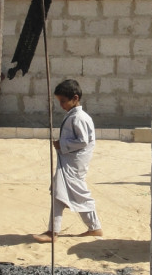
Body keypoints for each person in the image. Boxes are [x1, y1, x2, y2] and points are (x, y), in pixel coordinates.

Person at [34, 79, 102, 243]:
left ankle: (57, 231)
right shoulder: (73, 115)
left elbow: (83, 141)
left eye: (63, 101)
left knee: (77, 194)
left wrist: (61, 145)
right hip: (69, 162)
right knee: (62, 192)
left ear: (75, 98)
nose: (61, 105)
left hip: (74, 164)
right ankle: (88, 227)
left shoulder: (79, 117)